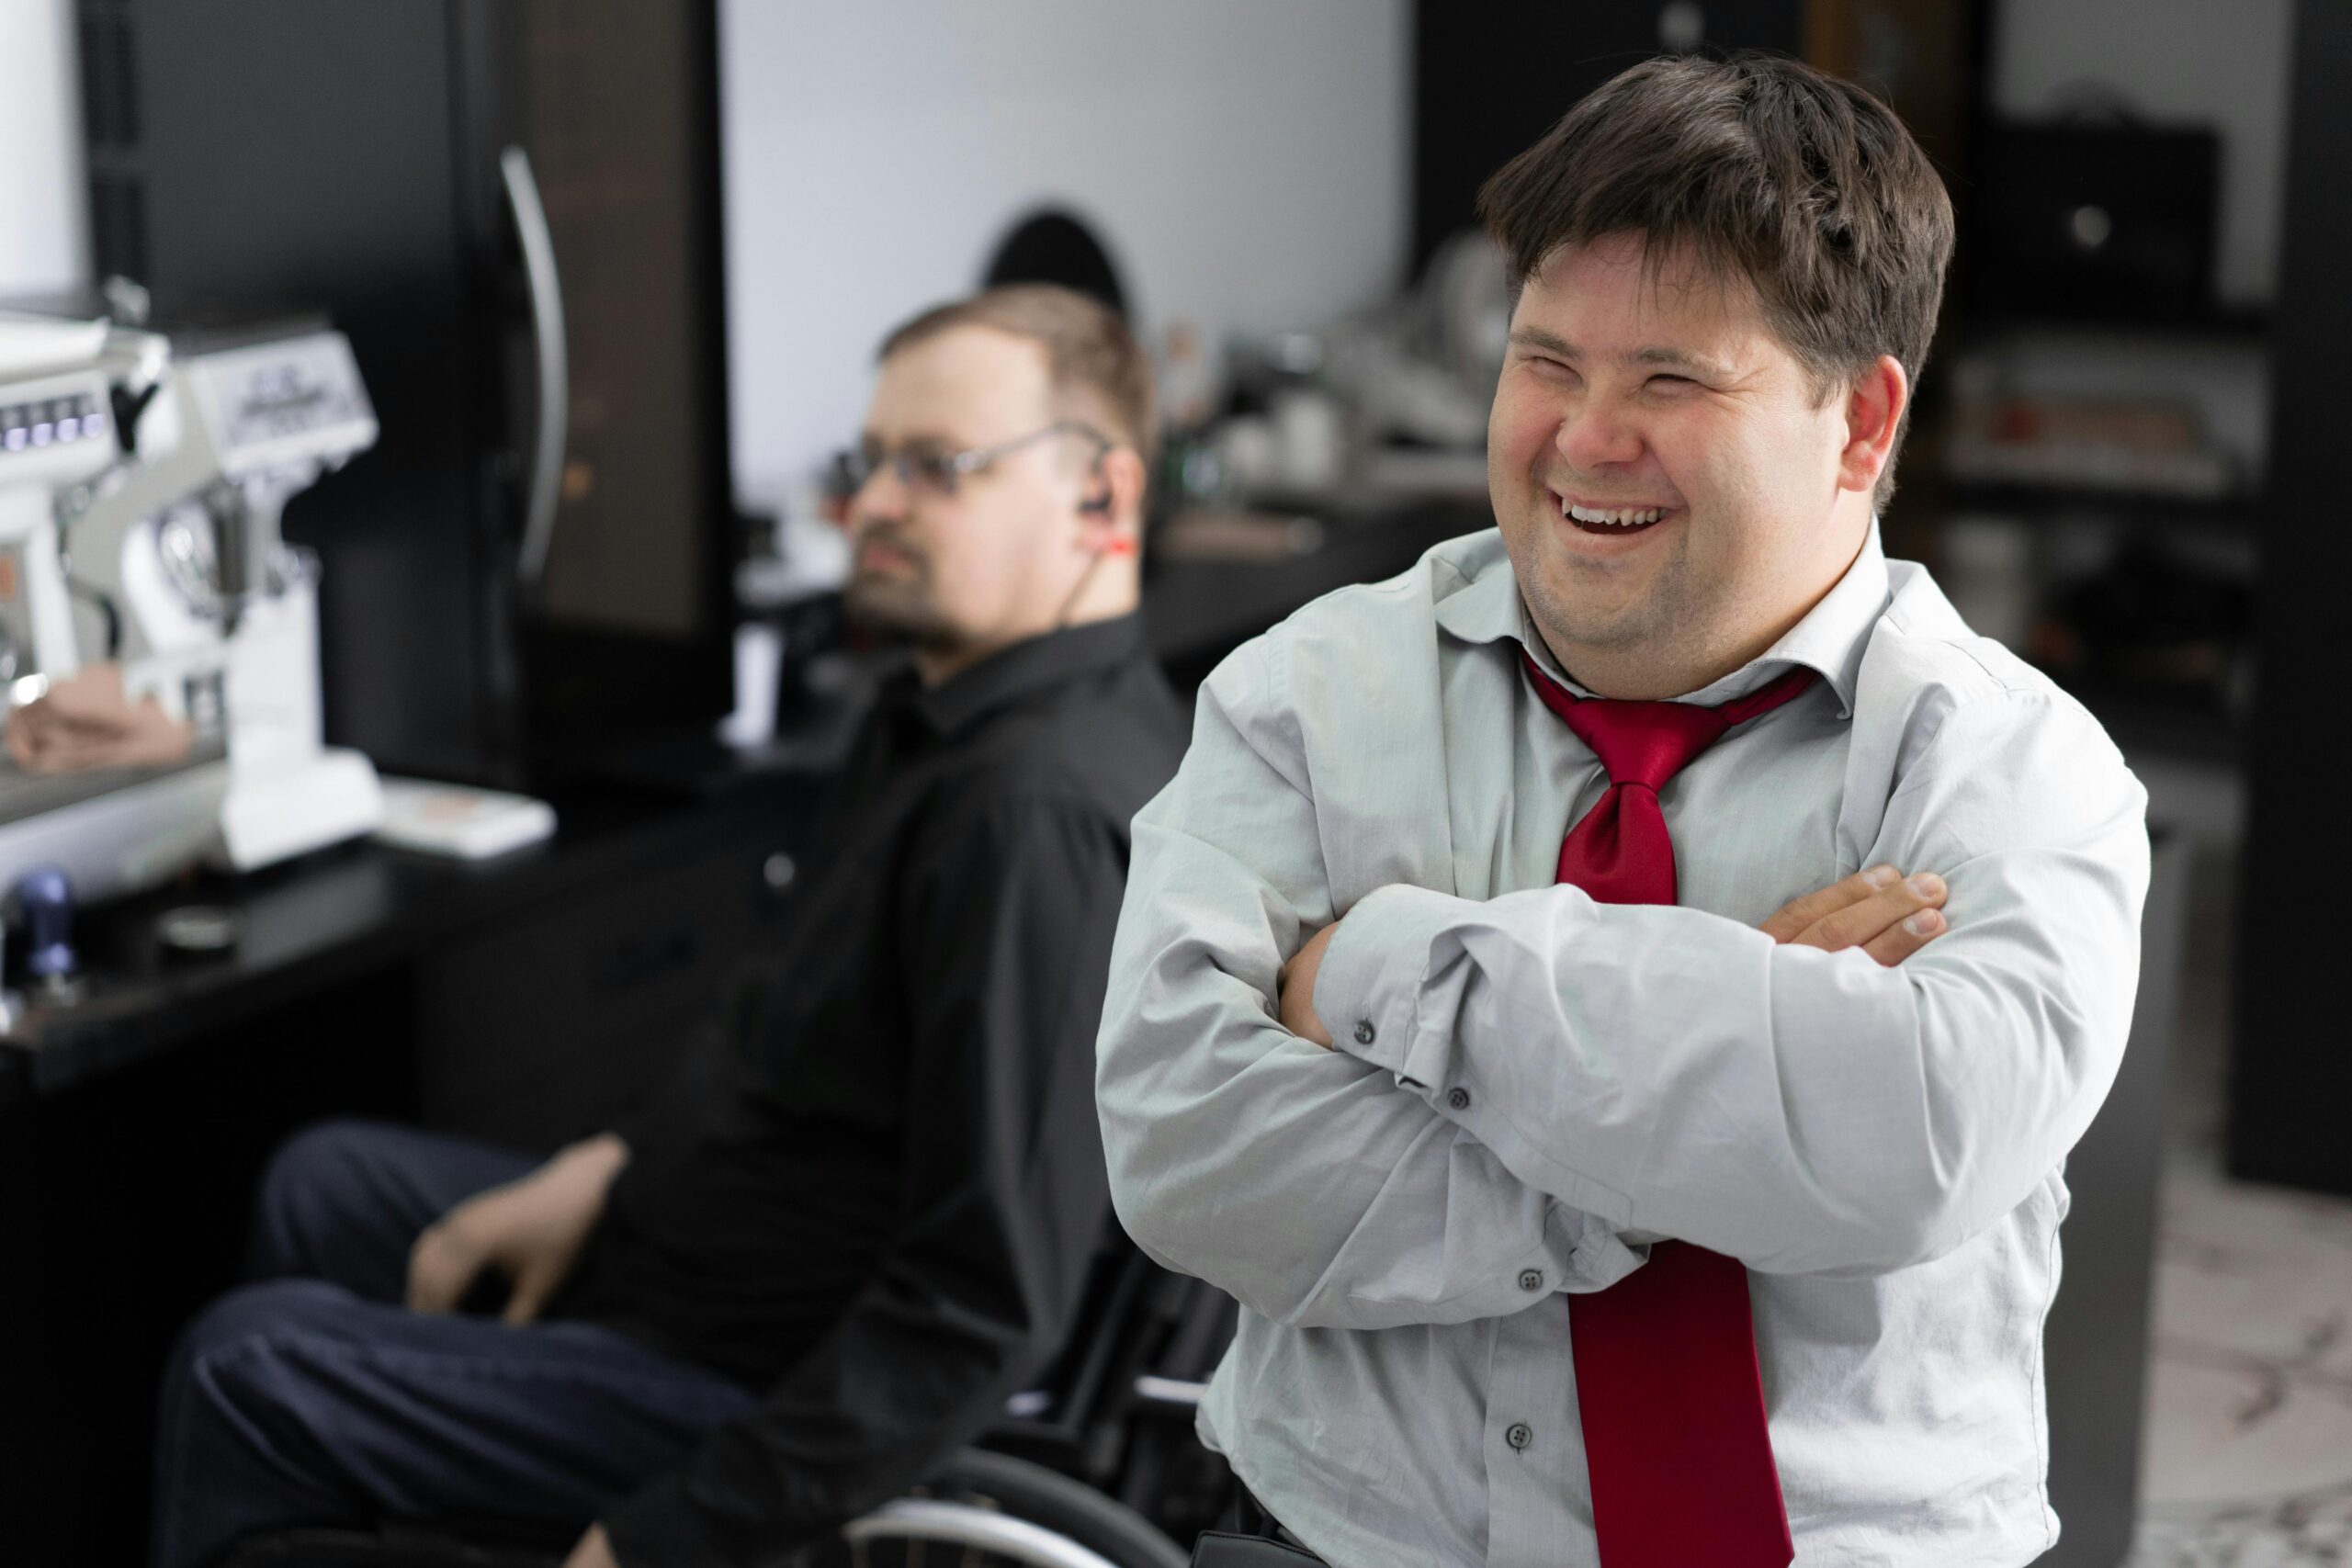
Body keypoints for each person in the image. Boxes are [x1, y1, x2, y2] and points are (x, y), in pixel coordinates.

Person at [1097, 53, 2148, 1568]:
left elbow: (1912, 1140)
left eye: (1670, 379)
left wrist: (1390, 969)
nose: (1585, 438)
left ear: (1861, 424)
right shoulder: (1305, 698)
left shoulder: (2012, 772)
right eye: (1545, 362)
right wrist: (1706, 1122)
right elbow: (1183, 1153)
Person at [153, 284, 1190, 1568]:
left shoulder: (1030, 814)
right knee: (326, 1186)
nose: (872, 506)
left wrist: (660, 1538)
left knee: (241, 1374)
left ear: (1102, 498)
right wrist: (615, 1165)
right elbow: (780, 1044)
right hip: (691, 1251)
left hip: (754, 1386)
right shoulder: (937, 719)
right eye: (867, 464)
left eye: (936, 468)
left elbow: (978, 1313)